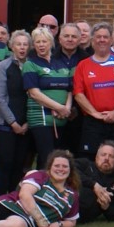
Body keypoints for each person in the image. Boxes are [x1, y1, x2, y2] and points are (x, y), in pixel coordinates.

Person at [72, 23, 114, 166]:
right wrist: (95, 113)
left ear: (111, 40)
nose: (102, 40)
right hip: (93, 122)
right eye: (98, 37)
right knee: (90, 162)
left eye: (105, 37)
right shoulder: (83, 65)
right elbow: (78, 94)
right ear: (92, 40)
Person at [22, 27, 75, 171]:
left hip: (62, 118)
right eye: (37, 42)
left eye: (44, 41)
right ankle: (40, 189)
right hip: (41, 119)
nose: (41, 45)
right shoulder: (30, 64)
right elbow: (34, 93)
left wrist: (67, 109)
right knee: (47, 158)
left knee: (60, 158)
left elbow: (70, 89)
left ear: (51, 43)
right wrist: (59, 107)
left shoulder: (62, 63)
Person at [0, 31, 33, 190]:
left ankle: (15, 200)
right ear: (12, 46)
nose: (22, 48)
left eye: (25, 44)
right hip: (5, 125)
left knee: (19, 165)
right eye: (18, 44)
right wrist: (13, 123)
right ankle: (1, 200)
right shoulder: (3, 66)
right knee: (5, 164)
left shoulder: (33, 65)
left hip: (26, 125)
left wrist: (27, 122)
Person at [76, 140, 114, 224]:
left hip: (81, 218)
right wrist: (94, 185)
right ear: (96, 157)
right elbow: (69, 170)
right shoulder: (85, 165)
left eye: (111, 156)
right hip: (65, 202)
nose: (106, 158)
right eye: (103, 155)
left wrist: (106, 207)